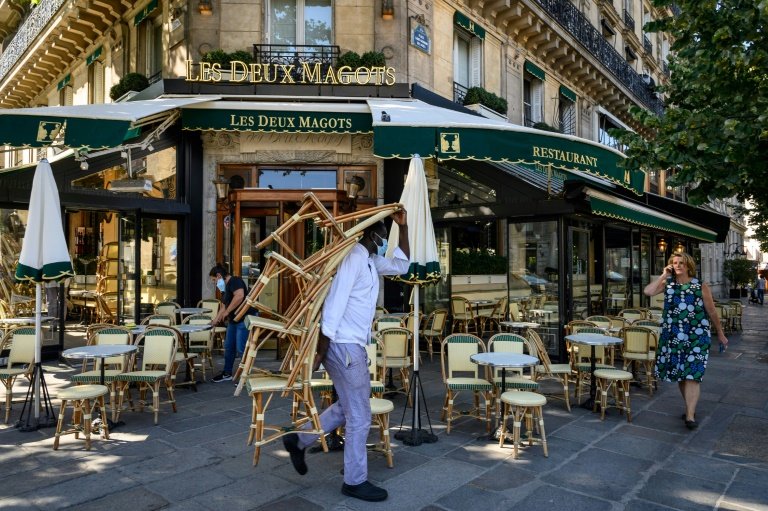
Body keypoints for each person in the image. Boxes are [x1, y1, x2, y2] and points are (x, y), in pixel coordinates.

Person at [282, 210, 410, 502]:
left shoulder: (369, 259)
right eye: (382, 234)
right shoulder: (353, 257)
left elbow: (402, 266)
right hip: (343, 346)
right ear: (371, 234)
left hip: (350, 346)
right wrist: (322, 349)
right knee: (360, 416)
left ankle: (299, 440)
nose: (383, 240)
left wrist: (403, 228)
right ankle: (354, 481)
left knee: (349, 407)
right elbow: (335, 303)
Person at [643, 252, 728, 430]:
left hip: (696, 336)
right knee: (681, 376)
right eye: (674, 263)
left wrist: (720, 333)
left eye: (681, 263)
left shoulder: (700, 285)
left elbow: (712, 311)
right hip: (673, 336)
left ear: (689, 265)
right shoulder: (668, 284)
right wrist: (663, 275)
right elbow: (648, 291)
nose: (678, 265)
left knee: (692, 375)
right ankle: (690, 407)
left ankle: (690, 416)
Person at [209, 264, 255, 382]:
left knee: (241, 348)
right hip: (233, 320)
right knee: (229, 347)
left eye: (214, 280)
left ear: (219, 276)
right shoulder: (224, 289)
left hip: (244, 318)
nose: (215, 283)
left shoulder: (235, 281)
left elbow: (239, 296)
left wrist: (227, 312)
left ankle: (245, 377)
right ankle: (227, 373)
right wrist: (215, 320)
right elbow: (223, 306)